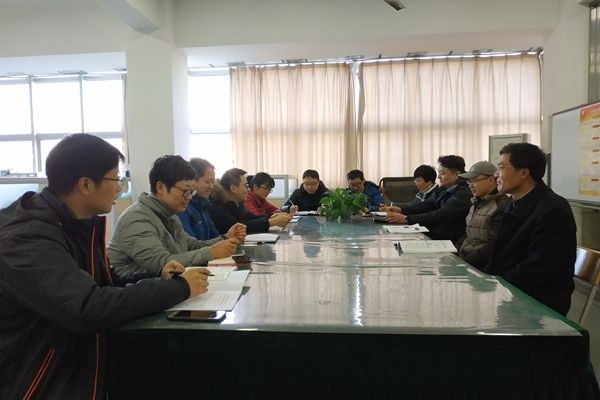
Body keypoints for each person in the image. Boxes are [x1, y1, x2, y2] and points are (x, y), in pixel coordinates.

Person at [0, 134, 211, 399]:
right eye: (115, 179)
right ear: (86, 184)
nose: (120, 188)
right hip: (38, 383)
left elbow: (100, 284)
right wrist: (180, 288)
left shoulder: (73, 224)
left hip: (76, 369)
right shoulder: (27, 237)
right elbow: (87, 307)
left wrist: (160, 278)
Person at [108, 155, 245, 284]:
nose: (189, 197)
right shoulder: (136, 219)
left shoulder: (170, 214)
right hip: (134, 291)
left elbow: (192, 245)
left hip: (161, 288)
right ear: (160, 187)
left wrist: (225, 238)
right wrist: (211, 252)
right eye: (186, 191)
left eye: (192, 191)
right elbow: (162, 264)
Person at [487, 143, 576, 315]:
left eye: (501, 167)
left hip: (537, 303)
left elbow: (538, 267)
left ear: (523, 172)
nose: (496, 174)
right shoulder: (514, 200)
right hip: (510, 290)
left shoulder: (553, 209)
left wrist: (496, 284)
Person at [383, 155, 472, 244]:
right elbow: (427, 205)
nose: (438, 177)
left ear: (457, 174)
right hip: (434, 234)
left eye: (442, 173)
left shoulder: (464, 193)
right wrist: (401, 210)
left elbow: (442, 215)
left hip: (448, 240)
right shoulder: (443, 189)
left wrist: (407, 219)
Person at [456, 161, 509, 270]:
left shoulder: (500, 206)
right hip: (465, 260)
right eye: (469, 181)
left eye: (474, 180)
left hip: (479, 267)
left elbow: (491, 249)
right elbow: (468, 235)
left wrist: (463, 264)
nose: (470, 185)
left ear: (491, 180)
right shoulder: (476, 203)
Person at [210, 168, 291, 234]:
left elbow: (250, 217)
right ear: (233, 188)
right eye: (246, 186)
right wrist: (271, 222)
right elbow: (238, 226)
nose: (248, 189)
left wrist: (271, 216)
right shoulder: (218, 206)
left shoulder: (238, 202)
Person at [177, 158, 221, 240]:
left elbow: (215, 236)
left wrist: (228, 238)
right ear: (193, 180)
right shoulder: (182, 208)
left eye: (213, 182)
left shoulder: (203, 205)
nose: (211, 187)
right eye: (207, 182)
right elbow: (191, 245)